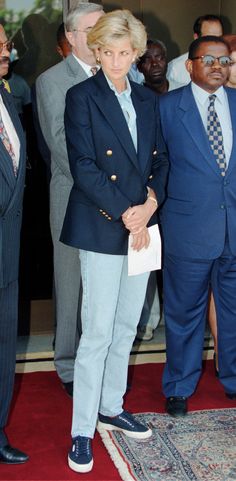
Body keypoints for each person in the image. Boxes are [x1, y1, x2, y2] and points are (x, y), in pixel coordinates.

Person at [60, 9, 168, 473]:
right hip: (103, 225)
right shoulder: (80, 96)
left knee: (127, 325)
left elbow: (161, 161)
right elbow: (82, 165)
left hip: (143, 226)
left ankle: (111, 405)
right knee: (98, 332)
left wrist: (149, 206)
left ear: (136, 53)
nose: (118, 62)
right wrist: (127, 211)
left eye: (126, 54)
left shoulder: (148, 101)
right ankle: (81, 429)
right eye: (109, 53)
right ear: (96, 51)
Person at [159, 35, 236, 418]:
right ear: (189, 65)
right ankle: (178, 385)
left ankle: (233, 378)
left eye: (224, 60)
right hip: (187, 230)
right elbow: (156, 168)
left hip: (233, 229)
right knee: (184, 312)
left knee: (234, 310)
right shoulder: (167, 108)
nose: (218, 66)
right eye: (208, 59)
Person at [36, 3, 104, 397]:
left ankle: (99, 358)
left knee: (104, 286)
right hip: (73, 195)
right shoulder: (52, 81)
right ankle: (67, 365)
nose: (102, 35)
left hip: (113, 200)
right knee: (70, 282)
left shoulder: (119, 74)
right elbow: (61, 148)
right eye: (94, 28)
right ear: (73, 36)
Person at [0, 25, 28, 464]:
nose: (7, 51)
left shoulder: (8, 97)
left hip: (6, 256)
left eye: (6, 45)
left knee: (4, 345)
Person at [135, 39, 169, 341]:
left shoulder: (182, 94)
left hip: (178, 193)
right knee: (144, 261)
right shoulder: (138, 99)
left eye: (160, 58)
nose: (155, 64)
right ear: (139, 65)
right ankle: (145, 320)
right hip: (147, 193)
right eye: (148, 59)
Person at [167, 14, 223, 89]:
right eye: (209, 38)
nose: (216, 43)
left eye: (220, 38)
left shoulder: (229, 65)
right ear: (196, 38)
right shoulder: (176, 69)